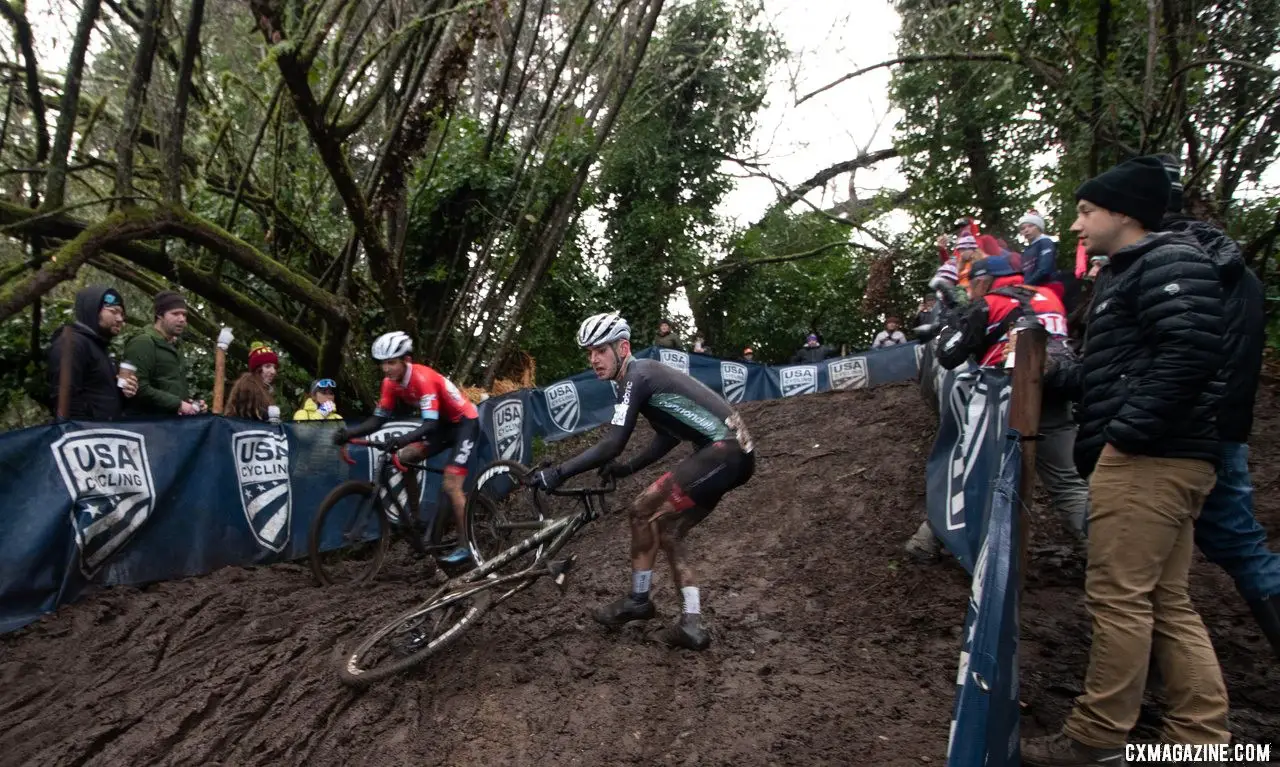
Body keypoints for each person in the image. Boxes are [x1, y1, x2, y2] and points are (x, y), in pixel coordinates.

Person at [1022, 156, 1229, 765]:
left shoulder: (1170, 263)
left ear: (1123, 211)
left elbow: (1190, 353)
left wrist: (1125, 435)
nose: (1077, 225)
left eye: (1086, 211)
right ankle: (1199, 738)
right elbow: (1114, 368)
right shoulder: (1127, 274)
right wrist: (1054, 377)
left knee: (1118, 597)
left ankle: (1096, 736)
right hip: (1161, 455)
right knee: (1166, 599)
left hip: (1150, 459)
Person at [531, 313, 755, 651]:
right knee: (669, 531)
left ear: (623, 347)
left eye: (601, 351)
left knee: (640, 511)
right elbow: (668, 437)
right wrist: (627, 468)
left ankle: (638, 600)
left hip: (723, 452)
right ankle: (692, 623)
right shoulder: (644, 375)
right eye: (589, 352)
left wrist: (559, 471)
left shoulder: (636, 375)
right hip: (733, 456)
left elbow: (612, 442)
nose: (593, 359)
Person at [1157, 155, 1280, 657]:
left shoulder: (1170, 267)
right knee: (1239, 544)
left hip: (1181, 433)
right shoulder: (1239, 272)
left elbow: (1179, 353)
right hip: (1226, 425)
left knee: (1147, 559)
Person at [333, 331, 478, 565]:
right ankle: (416, 518)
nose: (386, 369)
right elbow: (378, 419)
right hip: (442, 425)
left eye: (391, 362)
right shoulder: (389, 384)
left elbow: (429, 424)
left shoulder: (422, 379)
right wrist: (349, 434)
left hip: (464, 423)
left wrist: (401, 438)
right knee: (404, 457)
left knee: (451, 485)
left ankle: (467, 545)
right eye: (383, 363)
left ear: (406, 360)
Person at [46, 285, 138, 420]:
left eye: (122, 315)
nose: (120, 319)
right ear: (93, 310)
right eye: (114, 311)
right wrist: (82, 430)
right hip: (85, 435)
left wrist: (126, 392)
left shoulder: (100, 347)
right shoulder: (72, 343)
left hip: (107, 433)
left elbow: (100, 395)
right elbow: (65, 396)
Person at [122, 290, 201, 416]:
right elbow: (139, 388)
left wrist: (192, 405)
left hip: (172, 424)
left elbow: (171, 386)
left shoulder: (175, 346)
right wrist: (178, 404)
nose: (182, 319)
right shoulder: (143, 342)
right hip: (148, 424)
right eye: (175, 314)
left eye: (184, 315)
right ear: (159, 315)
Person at [225, 343, 279, 421]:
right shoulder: (248, 384)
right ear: (257, 369)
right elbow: (252, 416)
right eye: (267, 366)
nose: (273, 371)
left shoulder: (265, 389)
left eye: (274, 367)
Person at [1017, 211, 1061, 292]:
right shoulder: (1026, 250)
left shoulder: (1045, 242)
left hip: (1048, 288)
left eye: (1030, 226)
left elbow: (1044, 269)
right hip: (1031, 289)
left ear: (1039, 227)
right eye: (1023, 228)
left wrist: (1026, 285)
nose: (1026, 230)